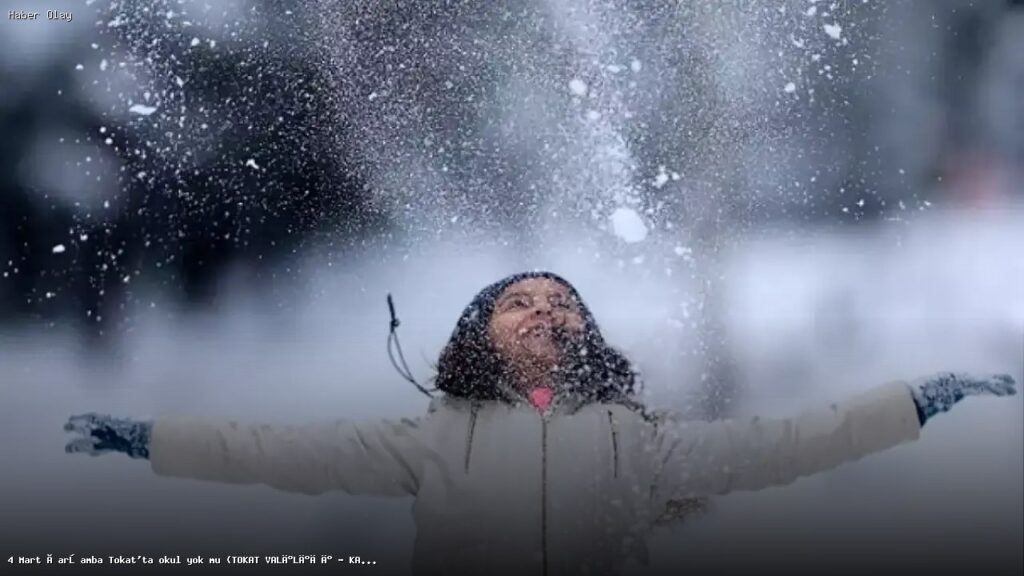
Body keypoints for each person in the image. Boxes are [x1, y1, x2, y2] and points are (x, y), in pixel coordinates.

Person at [64, 271, 1017, 576]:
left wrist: (914, 400)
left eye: (563, 301)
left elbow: (784, 445)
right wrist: (149, 439)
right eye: (518, 300)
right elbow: (273, 452)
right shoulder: (431, 436)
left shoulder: (637, 439)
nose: (545, 310)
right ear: (477, 334)